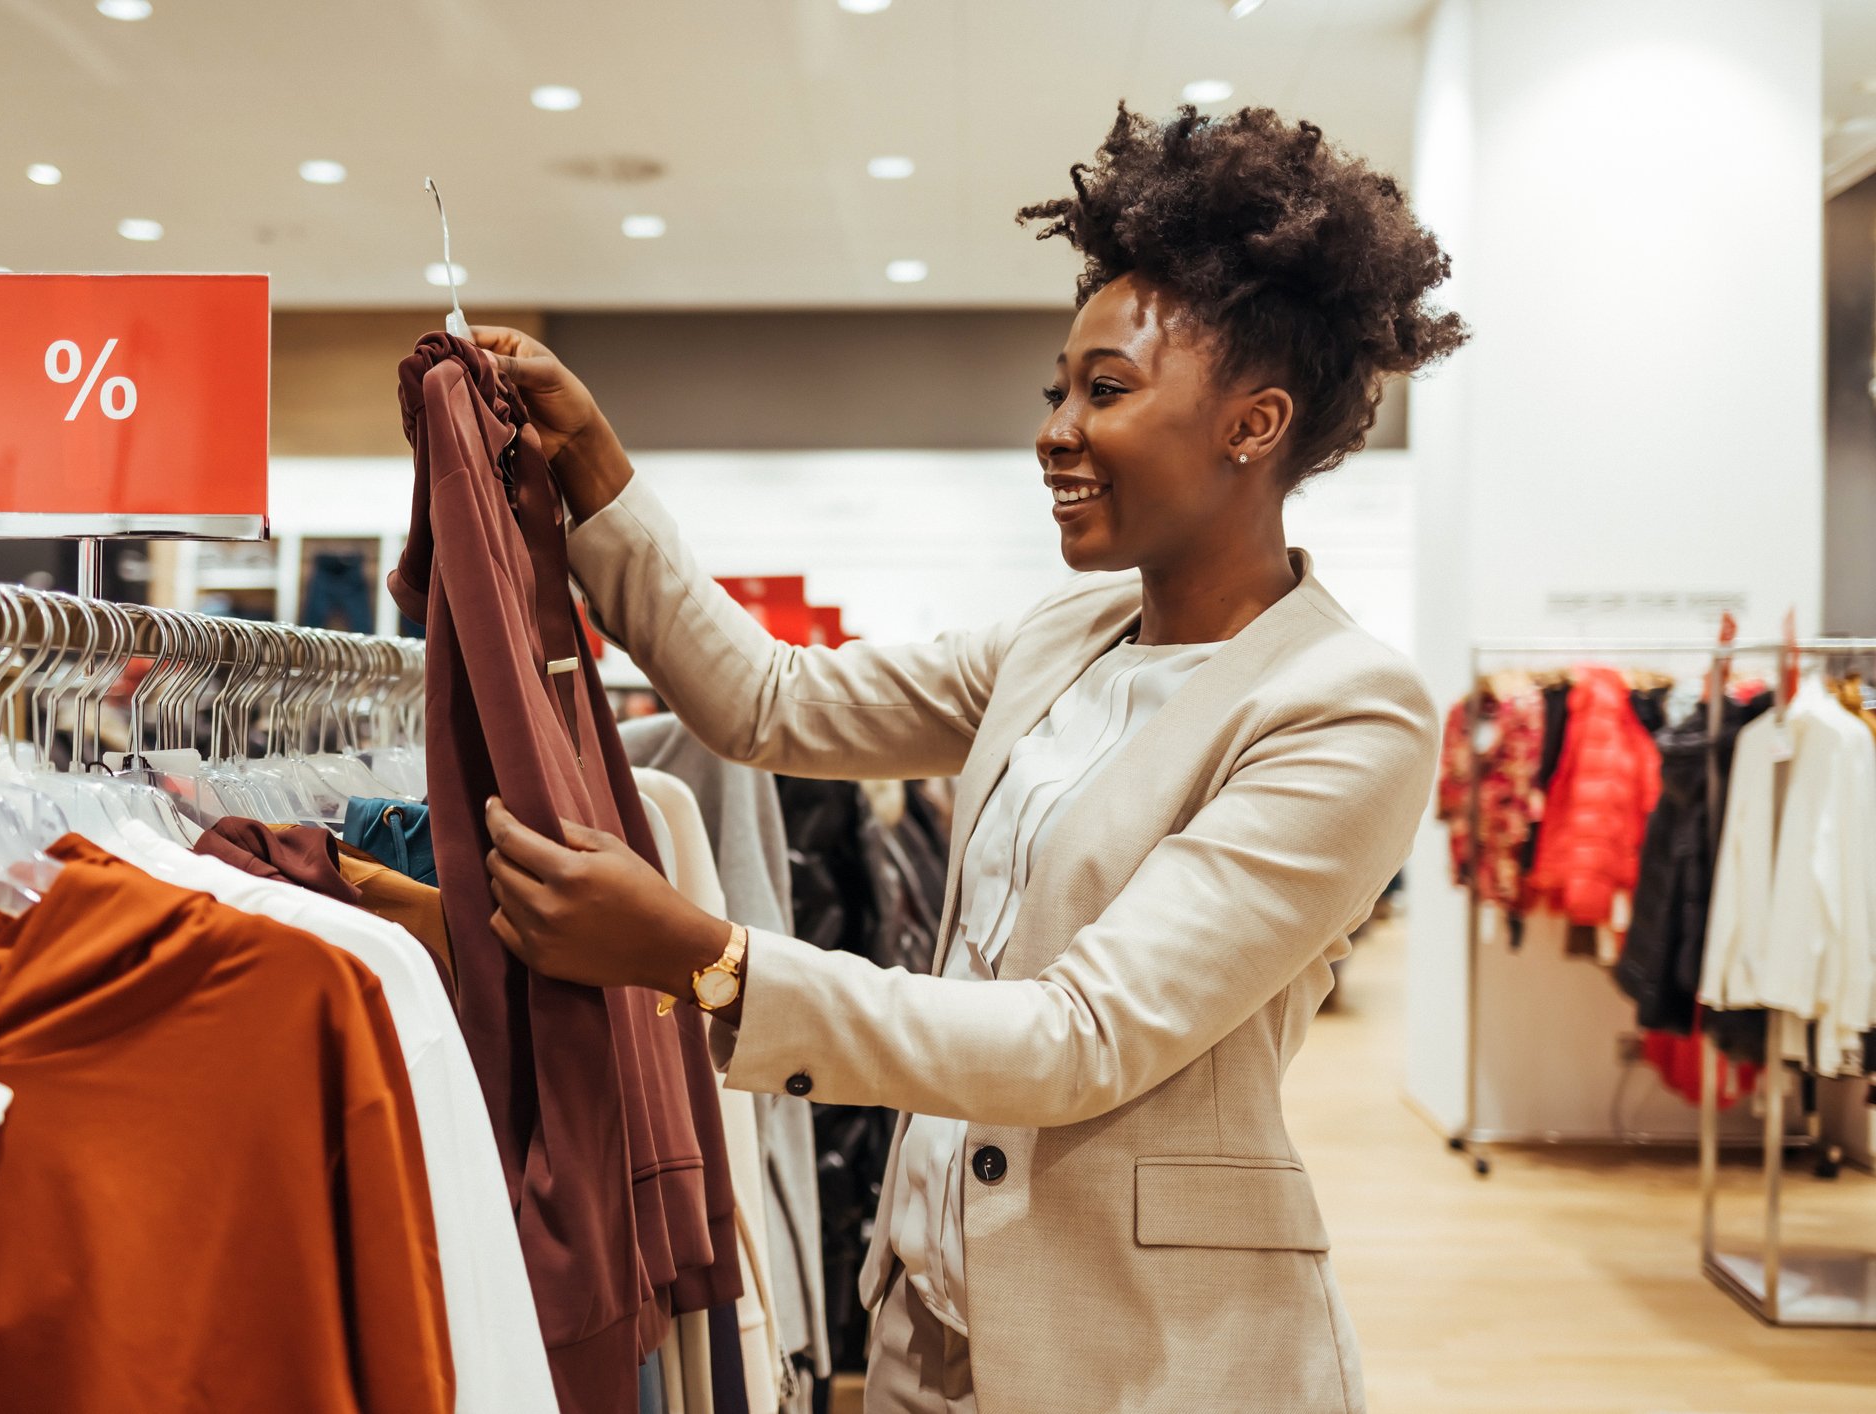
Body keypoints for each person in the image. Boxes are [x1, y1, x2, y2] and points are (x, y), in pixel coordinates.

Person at [476, 104, 1467, 1413]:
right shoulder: (1061, 638)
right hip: (929, 1326)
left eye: (1105, 390)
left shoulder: (1345, 708)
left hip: (1149, 1355)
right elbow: (772, 703)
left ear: (1254, 423)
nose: (1056, 429)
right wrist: (598, 475)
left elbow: (1079, 1038)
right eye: (1058, 390)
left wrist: (702, 958)